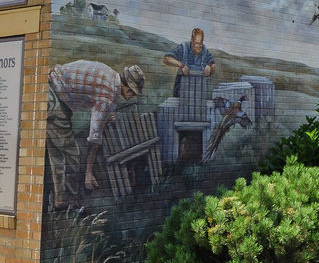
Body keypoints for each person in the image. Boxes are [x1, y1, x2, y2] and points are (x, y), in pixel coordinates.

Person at [46, 60, 145, 210]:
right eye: (132, 92)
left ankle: (62, 202)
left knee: (59, 154)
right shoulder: (110, 95)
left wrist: (104, 117)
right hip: (55, 96)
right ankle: (68, 204)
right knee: (70, 154)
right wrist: (88, 172)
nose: (131, 97)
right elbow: (94, 137)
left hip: (53, 88)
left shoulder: (111, 76)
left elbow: (93, 99)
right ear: (127, 87)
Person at [163, 27, 215, 98]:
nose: (199, 46)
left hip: (198, 93)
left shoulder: (205, 50)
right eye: (197, 43)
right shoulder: (183, 48)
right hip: (181, 93)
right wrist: (181, 65)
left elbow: (213, 64)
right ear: (192, 41)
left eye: (201, 43)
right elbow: (166, 59)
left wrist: (210, 68)